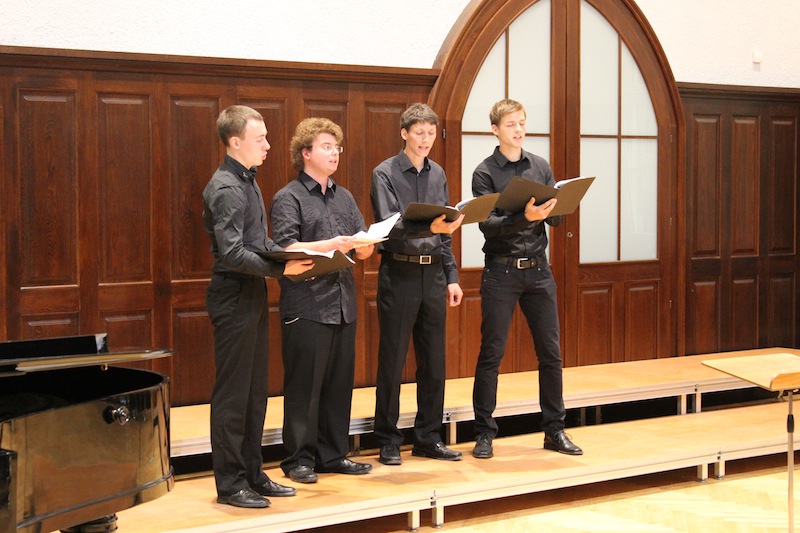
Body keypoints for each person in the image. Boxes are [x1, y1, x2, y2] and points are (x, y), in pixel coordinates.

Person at [203, 105, 314, 508]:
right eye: (260, 138)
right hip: (233, 294)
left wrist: (292, 255)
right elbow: (232, 253)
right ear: (235, 142)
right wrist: (281, 270)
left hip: (250, 292)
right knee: (233, 395)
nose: (268, 145)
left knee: (254, 393)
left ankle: (252, 472)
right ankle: (231, 483)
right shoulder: (227, 188)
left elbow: (258, 242)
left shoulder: (247, 181)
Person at [470, 98, 582, 459]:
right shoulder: (485, 172)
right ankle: (484, 433)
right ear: (495, 130)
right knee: (492, 353)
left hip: (538, 270)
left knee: (551, 353)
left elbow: (556, 219)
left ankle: (555, 430)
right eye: (511, 124)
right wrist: (525, 217)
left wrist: (558, 206)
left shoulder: (539, 165)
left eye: (522, 123)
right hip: (501, 270)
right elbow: (488, 226)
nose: (518, 130)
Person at [270, 117, 375, 484]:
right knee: (304, 387)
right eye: (327, 147)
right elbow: (285, 247)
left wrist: (365, 246)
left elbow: (358, 243)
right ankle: (298, 459)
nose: (334, 154)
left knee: (338, 385)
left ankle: (333, 454)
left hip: (343, 303)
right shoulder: (289, 197)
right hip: (307, 304)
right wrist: (330, 245)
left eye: (337, 148)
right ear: (306, 153)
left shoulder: (344, 196)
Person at [370, 103, 464, 466]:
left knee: (434, 361)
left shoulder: (437, 173)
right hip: (399, 272)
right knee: (392, 360)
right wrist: (431, 227)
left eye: (431, 133)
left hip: (434, 273)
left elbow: (445, 231)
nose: (425, 139)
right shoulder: (385, 172)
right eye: (419, 132)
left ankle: (428, 437)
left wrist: (452, 277)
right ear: (404, 133)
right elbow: (388, 225)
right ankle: (387, 439)